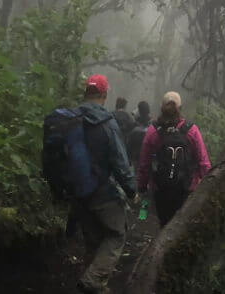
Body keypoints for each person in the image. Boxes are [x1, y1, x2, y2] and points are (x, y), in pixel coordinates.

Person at [74, 74, 138, 294]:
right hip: (102, 191)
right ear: (104, 93)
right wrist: (131, 190)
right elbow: (120, 162)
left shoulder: (71, 118)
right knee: (116, 234)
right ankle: (93, 280)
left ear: (86, 92)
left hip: (77, 191)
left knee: (93, 240)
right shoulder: (106, 123)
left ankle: (94, 285)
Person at [136, 91, 211, 226]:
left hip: (161, 189)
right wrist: (208, 189)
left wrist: (142, 186)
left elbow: (144, 163)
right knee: (183, 227)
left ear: (161, 108)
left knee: (165, 224)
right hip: (187, 189)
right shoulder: (191, 130)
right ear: (180, 108)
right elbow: (203, 161)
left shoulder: (153, 131)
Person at [126, 100, 152, 165]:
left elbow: (128, 146)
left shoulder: (134, 130)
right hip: (148, 159)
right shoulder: (153, 128)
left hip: (136, 159)